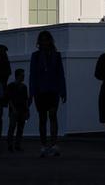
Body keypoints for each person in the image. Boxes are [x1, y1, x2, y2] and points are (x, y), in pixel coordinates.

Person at [28, 29, 67, 157]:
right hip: (40, 91)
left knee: (53, 116)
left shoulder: (56, 55)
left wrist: (63, 91)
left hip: (53, 90)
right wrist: (31, 93)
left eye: (46, 39)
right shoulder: (35, 56)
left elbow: (61, 74)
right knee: (43, 118)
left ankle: (54, 144)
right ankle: (44, 145)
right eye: (42, 40)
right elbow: (32, 76)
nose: (44, 42)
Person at [5, 68, 29, 152]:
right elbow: (9, 99)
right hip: (14, 110)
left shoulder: (24, 87)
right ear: (18, 76)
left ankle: (17, 145)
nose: (23, 77)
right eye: (22, 75)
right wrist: (13, 109)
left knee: (20, 128)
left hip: (21, 110)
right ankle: (10, 145)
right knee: (12, 127)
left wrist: (26, 111)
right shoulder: (11, 86)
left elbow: (26, 100)